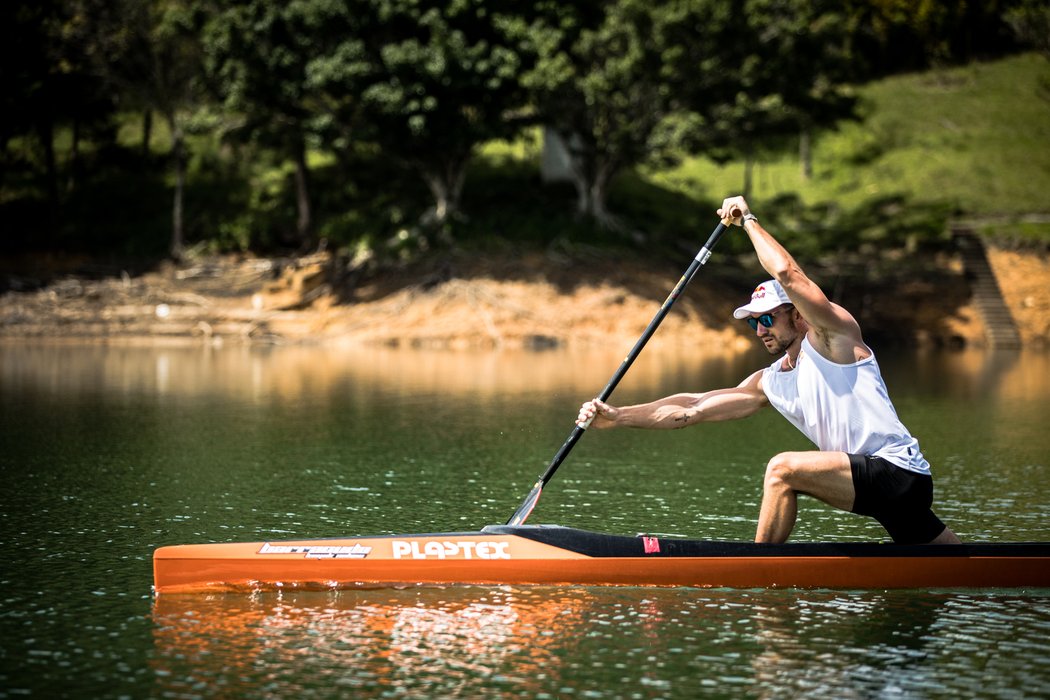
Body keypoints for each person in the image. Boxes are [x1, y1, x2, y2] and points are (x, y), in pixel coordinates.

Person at [577, 195, 961, 545]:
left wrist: (747, 221)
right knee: (954, 565)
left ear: (797, 315)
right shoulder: (771, 380)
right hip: (874, 488)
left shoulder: (833, 338)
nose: (760, 330)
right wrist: (618, 416)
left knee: (782, 469)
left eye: (768, 320)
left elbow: (789, 275)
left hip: (897, 473)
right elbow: (692, 406)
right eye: (752, 323)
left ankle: (756, 567)